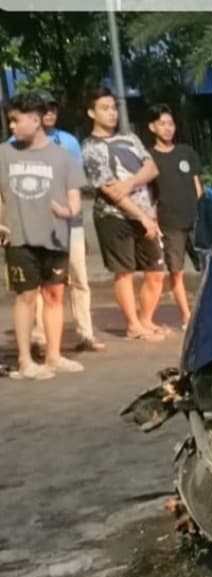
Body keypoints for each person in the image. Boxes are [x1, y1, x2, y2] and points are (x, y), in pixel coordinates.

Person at [0, 92, 86, 379]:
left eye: (16, 120)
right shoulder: (4, 154)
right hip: (20, 238)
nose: (11, 126)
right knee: (26, 296)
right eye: (9, 121)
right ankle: (25, 361)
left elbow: (74, 198)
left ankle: (53, 356)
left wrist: (67, 212)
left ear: (35, 120)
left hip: (56, 237)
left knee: (54, 295)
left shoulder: (63, 156)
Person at [12, 91, 105, 354]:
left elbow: (75, 181)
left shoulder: (69, 142)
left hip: (70, 224)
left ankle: (85, 334)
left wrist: (69, 209)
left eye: (53, 108)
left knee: (78, 278)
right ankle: (40, 338)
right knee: (42, 285)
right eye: (45, 109)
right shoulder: (15, 142)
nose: (50, 113)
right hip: (34, 226)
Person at [81, 86, 166, 342]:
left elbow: (151, 168)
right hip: (114, 217)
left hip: (145, 213)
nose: (112, 113)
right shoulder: (89, 148)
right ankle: (133, 325)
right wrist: (141, 216)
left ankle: (146, 319)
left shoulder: (130, 138)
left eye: (114, 108)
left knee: (155, 271)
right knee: (124, 272)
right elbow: (110, 192)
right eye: (105, 108)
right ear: (91, 113)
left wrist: (130, 185)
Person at [147, 104, 202, 330]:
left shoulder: (186, 152)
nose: (168, 128)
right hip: (170, 225)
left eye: (170, 123)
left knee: (207, 269)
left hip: (195, 220)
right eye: (162, 124)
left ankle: (205, 311)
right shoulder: (149, 158)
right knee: (176, 272)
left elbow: (198, 187)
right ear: (152, 127)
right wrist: (154, 222)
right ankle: (186, 315)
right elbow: (149, 195)